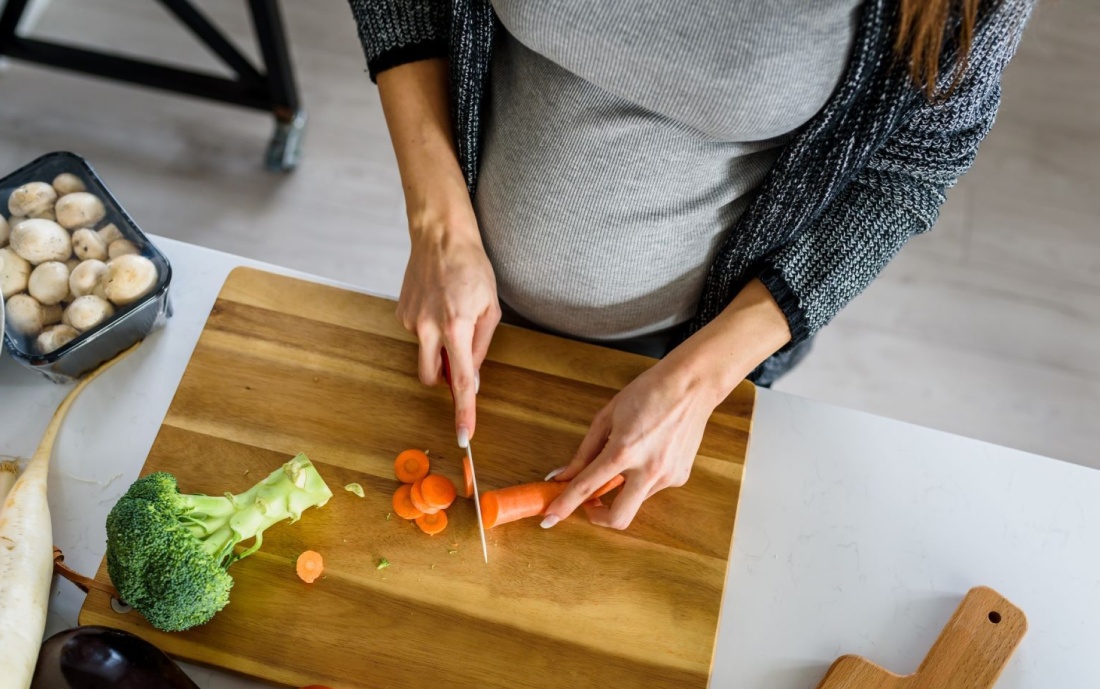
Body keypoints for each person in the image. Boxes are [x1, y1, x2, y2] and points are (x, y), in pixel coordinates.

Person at [346, 0, 1033, 530]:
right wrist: (438, 221)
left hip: (698, 342)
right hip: (476, 294)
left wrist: (700, 382)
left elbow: (915, 163)